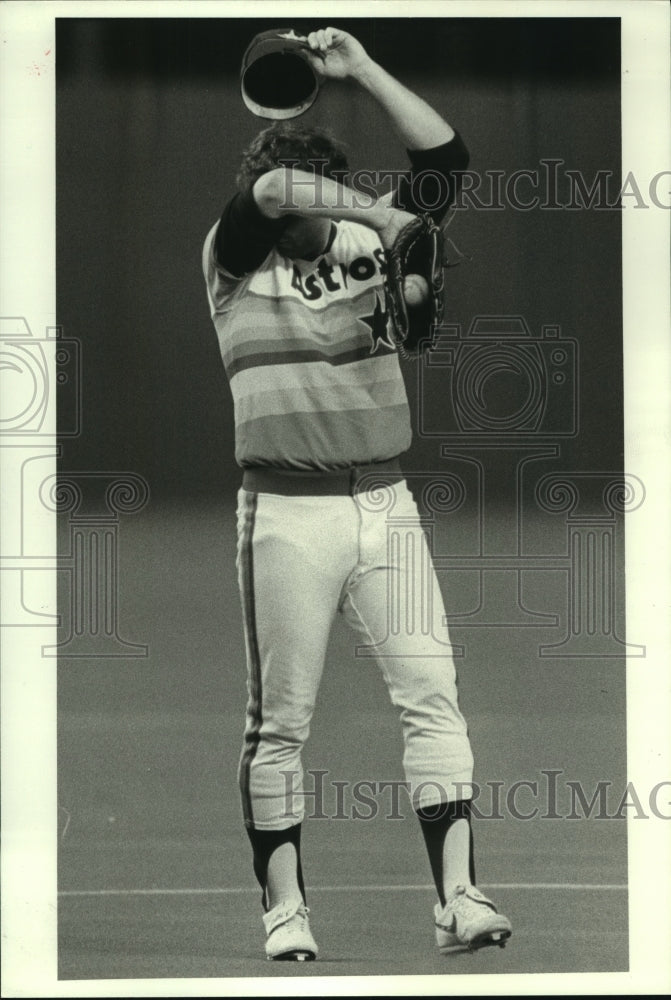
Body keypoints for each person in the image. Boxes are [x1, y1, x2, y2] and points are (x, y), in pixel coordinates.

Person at [202, 26, 512, 961]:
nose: (308, 222)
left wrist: (363, 68)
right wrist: (390, 225)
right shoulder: (235, 249)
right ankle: (286, 914)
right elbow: (268, 190)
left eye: (323, 202)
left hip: (386, 503)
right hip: (284, 511)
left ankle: (457, 899)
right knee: (281, 722)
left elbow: (445, 157)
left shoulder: (357, 235)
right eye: (305, 205)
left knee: (431, 695)